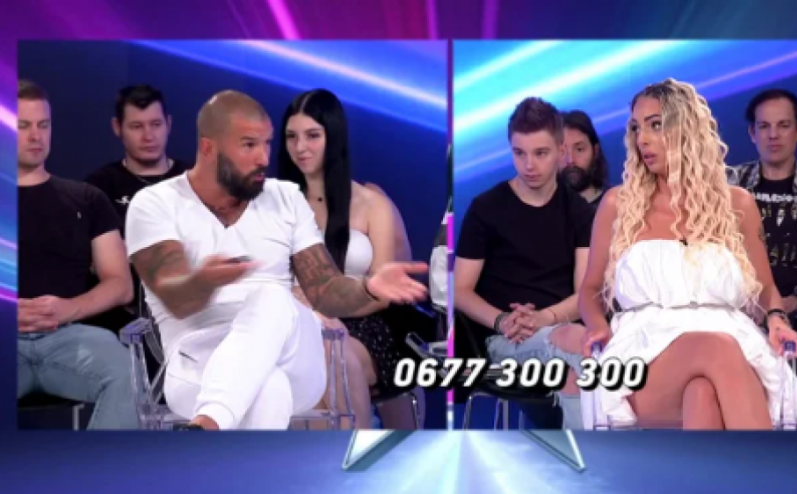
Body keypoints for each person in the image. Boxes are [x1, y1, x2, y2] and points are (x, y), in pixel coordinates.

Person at [125, 90, 428, 430]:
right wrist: (203, 282)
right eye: (249, 145)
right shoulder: (154, 203)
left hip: (294, 355)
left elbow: (325, 290)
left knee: (271, 297)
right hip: (196, 366)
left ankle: (209, 424)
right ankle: (228, 438)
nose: (263, 157)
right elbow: (173, 298)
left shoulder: (285, 197)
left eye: (267, 144)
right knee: (268, 388)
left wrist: (368, 288)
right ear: (209, 148)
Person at [579, 78, 797, 430]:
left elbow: (765, 288)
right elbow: (590, 289)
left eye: (656, 125)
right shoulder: (619, 204)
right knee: (717, 349)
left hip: (734, 342)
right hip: (644, 353)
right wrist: (597, 328)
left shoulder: (737, 204)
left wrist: (777, 319)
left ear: (686, 128)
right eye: (637, 127)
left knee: (703, 395)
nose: (642, 139)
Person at [278, 88, 425, 429]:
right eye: (292, 137)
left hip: (365, 323)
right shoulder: (275, 203)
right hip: (295, 322)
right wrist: (310, 311)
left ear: (334, 136)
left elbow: (383, 293)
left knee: (334, 354)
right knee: (311, 350)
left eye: (312, 136)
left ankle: (355, 453)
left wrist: (328, 308)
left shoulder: (372, 204)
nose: (300, 147)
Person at [455, 97, 592, 430]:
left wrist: (546, 317)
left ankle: (569, 455)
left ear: (561, 151)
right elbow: (459, 290)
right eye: (519, 153)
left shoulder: (579, 211)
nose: (529, 165)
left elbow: (586, 293)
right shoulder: (486, 208)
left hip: (563, 329)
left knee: (579, 361)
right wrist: (502, 320)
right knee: (582, 348)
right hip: (504, 339)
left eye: (540, 153)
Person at [16, 79, 138, 429]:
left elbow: (120, 284)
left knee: (129, 375)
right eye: (23, 126)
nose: (36, 136)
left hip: (69, 337)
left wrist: (71, 308)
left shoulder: (87, 198)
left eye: (43, 125)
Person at [728, 89, 797, 318]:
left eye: (783, 125)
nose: (773, 135)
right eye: (764, 126)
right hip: (738, 312)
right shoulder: (730, 183)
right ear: (752, 133)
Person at [86, 85, 190, 321]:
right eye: (136, 126)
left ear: (169, 124)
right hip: (122, 316)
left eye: (156, 124)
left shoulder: (196, 181)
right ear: (117, 127)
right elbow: (91, 263)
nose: (148, 136)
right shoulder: (97, 188)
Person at [560, 110, 609, 210]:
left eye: (579, 149)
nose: (570, 160)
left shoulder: (619, 205)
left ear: (595, 151)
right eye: (562, 152)